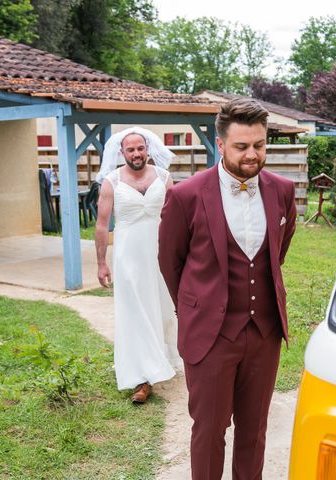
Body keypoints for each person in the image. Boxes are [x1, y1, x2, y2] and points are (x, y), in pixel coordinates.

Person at [158, 98, 297, 479]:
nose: (252, 154)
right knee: (209, 430)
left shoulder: (282, 191)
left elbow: (276, 253)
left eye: (260, 145)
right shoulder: (186, 196)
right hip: (210, 336)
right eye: (242, 146)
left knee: (254, 431)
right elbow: (172, 263)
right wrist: (198, 306)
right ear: (220, 145)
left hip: (264, 332)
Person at [95, 127, 181, 404]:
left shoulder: (164, 177)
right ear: (122, 153)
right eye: (130, 149)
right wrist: (101, 263)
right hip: (128, 257)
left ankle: (161, 361)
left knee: (163, 310)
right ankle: (140, 379)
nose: (136, 153)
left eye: (140, 148)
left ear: (148, 149)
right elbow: (101, 225)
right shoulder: (112, 182)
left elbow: (177, 218)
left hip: (160, 255)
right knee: (135, 312)